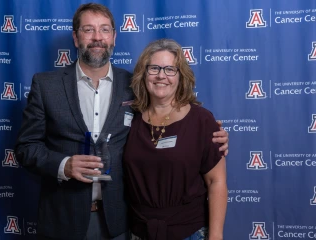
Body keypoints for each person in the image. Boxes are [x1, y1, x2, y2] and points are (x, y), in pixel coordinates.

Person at [15, 3, 229, 240]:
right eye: (88, 30)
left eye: (105, 30)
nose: (98, 37)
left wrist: (211, 133)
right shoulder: (46, 86)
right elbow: (26, 148)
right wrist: (63, 165)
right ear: (76, 38)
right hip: (62, 220)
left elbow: (173, 112)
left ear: (114, 37)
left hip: (119, 223)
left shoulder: (134, 86)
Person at [123, 39, 228, 240]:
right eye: (154, 68)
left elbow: (217, 182)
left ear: (181, 77)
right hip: (139, 232)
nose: (161, 75)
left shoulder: (201, 120)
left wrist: (215, 236)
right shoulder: (130, 118)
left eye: (170, 69)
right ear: (143, 74)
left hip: (190, 232)